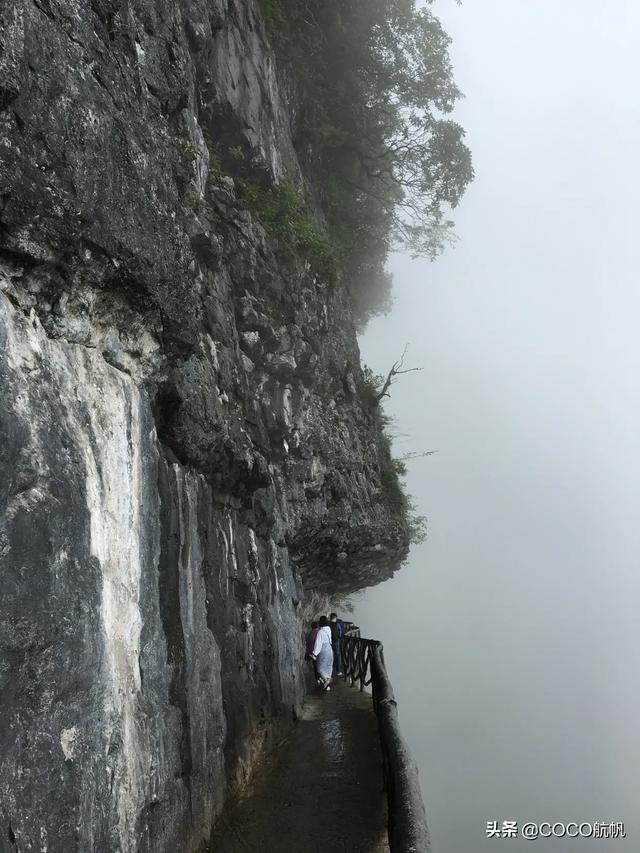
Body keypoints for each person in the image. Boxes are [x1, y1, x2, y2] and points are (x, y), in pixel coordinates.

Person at [310, 616, 333, 691]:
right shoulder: (328, 629)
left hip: (323, 650)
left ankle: (326, 681)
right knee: (328, 667)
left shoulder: (320, 632)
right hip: (329, 649)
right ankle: (327, 685)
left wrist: (314, 654)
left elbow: (318, 644)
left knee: (320, 668)